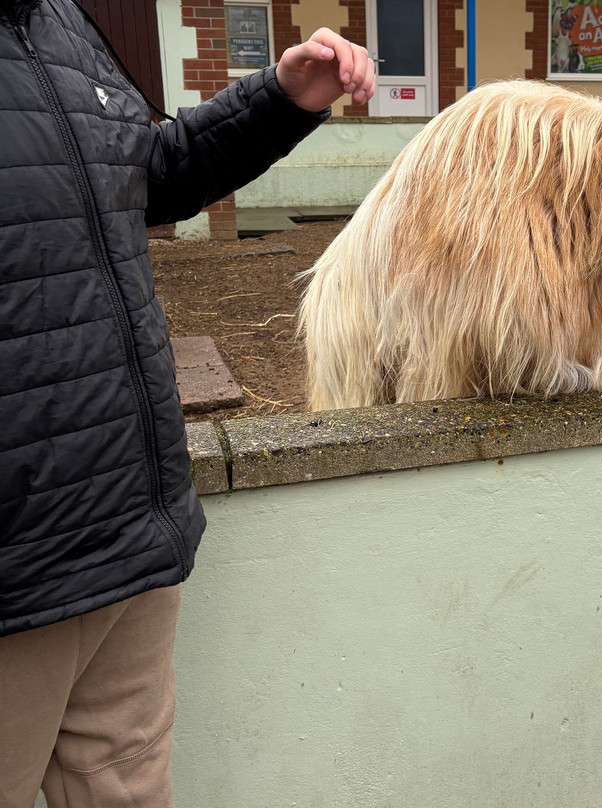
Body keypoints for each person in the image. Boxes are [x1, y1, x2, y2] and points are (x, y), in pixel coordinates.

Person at [0, 0, 375, 805]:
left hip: (129, 534)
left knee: (128, 788)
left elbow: (146, 172)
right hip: (16, 567)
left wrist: (280, 98)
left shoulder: (55, 21)